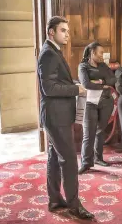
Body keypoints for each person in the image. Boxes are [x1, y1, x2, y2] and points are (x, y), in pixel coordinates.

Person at [37, 16, 93, 219]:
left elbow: (55, 82)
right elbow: (48, 87)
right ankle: (74, 206)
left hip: (56, 115)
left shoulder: (53, 51)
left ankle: (54, 199)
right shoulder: (48, 54)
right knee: (69, 160)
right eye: (63, 30)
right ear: (51, 32)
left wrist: (73, 86)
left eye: (68, 30)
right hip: (56, 116)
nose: (67, 34)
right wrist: (76, 90)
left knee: (54, 158)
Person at [78, 42, 116, 174]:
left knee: (100, 131)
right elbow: (86, 83)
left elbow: (113, 79)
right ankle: (85, 162)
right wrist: (103, 84)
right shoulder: (83, 66)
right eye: (100, 52)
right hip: (90, 103)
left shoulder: (103, 66)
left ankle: (98, 158)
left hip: (106, 102)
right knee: (88, 134)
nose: (102, 55)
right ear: (92, 53)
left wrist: (100, 81)